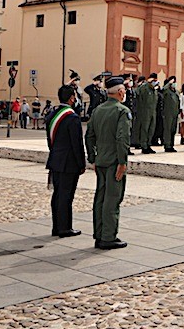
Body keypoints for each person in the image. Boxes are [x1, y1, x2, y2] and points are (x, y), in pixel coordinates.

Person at [85, 76, 132, 250]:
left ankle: (99, 234)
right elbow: (122, 138)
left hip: (101, 161)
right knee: (112, 199)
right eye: (124, 91)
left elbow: (89, 136)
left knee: (100, 198)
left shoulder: (98, 110)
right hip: (114, 162)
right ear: (120, 92)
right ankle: (108, 237)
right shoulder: (122, 111)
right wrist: (122, 162)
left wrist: (92, 157)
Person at [45, 84, 86, 238]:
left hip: (55, 160)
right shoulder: (72, 117)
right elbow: (77, 144)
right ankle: (65, 228)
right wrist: (81, 164)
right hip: (69, 163)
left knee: (57, 195)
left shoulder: (52, 115)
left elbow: (50, 141)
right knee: (66, 196)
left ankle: (57, 226)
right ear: (71, 98)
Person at [136, 73, 159, 154]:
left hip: (153, 112)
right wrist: (146, 83)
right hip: (145, 112)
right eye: (153, 80)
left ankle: (149, 144)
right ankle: (144, 146)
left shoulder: (154, 90)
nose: (155, 82)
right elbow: (138, 94)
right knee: (145, 129)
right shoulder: (144, 88)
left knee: (151, 129)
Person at [161, 77, 180, 152]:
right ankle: (167, 145)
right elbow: (163, 89)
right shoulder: (166, 91)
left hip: (175, 113)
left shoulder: (175, 92)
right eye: (173, 83)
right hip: (168, 113)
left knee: (173, 130)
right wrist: (168, 83)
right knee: (167, 129)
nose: (174, 84)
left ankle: (171, 145)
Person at [129, 76, 144, 149]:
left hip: (137, 111)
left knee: (137, 128)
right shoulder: (136, 90)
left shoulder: (134, 90)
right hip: (132, 111)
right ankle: (134, 142)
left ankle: (137, 142)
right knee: (133, 128)